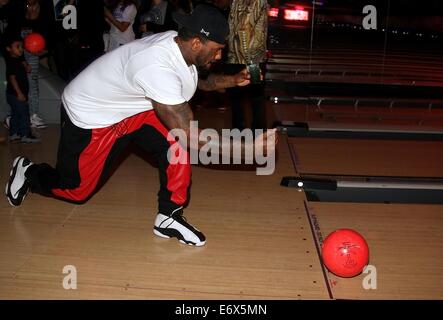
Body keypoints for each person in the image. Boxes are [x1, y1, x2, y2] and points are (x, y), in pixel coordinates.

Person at [5, 4, 276, 247]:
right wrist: (249, 150)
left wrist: (232, 80)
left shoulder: (179, 47)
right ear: (196, 43)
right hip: (90, 114)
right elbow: (194, 139)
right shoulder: (156, 66)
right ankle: (29, 172)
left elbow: (194, 81)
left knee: (175, 145)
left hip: (131, 108)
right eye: (217, 50)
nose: (219, 57)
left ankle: (168, 217)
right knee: (75, 190)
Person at [226, 0, 268, 131]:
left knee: (245, 98)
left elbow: (242, 28)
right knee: (254, 98)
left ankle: (243, 132)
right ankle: (253, 133)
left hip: (247, 58)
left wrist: (249, 60)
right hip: (248, 58)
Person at [4, 34, 40, 143]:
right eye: (17, 47)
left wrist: (26, 66)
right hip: (16, 95)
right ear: (9, 49)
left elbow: (26, 70)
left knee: (15, 114)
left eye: (21, 47)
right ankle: (25, 136)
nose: (21, 49)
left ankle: (14, 134)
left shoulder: (17, 60)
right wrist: (19, 93)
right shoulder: (12, 62)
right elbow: (12, 79)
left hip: (12, 95)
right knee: (24, 114)